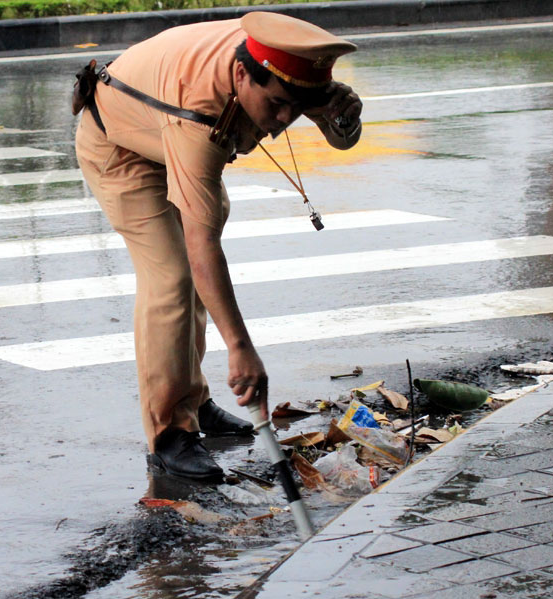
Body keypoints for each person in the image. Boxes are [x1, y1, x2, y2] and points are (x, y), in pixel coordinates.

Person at [73, 11, 363, 482]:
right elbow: (201, 246)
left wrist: (343, 121)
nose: (285, 119)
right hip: (120, 148)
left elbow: (341, 138)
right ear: (242, 75)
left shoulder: (283, 67)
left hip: (169, 139)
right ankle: (169, 435)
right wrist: (241, 350)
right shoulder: (200, 105)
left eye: (298, 106)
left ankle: (195, 401)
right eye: (277, 105)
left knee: (193, 280)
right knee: (173, 279)